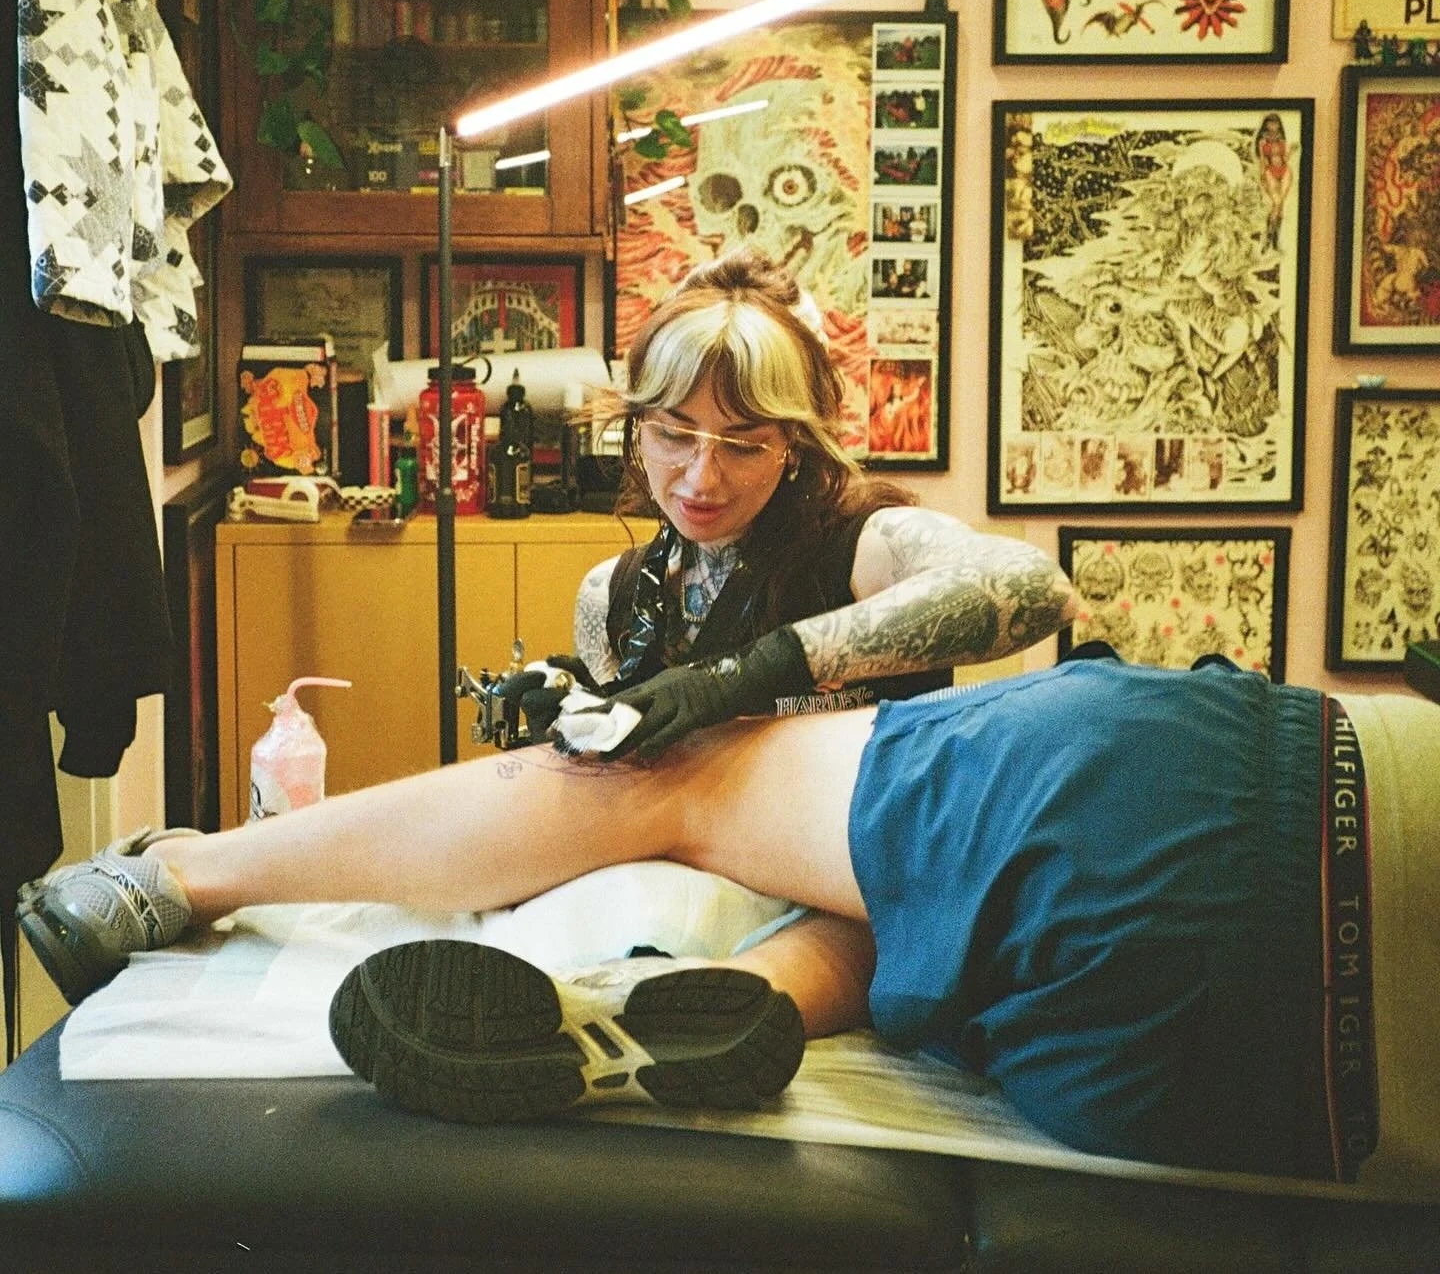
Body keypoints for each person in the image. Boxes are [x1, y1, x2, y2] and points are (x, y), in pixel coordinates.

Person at [19, 256, 1440, 1193]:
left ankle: (668, 1022)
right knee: (618, 838)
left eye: (744, 443)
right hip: (700, 873)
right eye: (671, 436)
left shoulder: (863, 536)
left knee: (855, 918)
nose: (702, 473)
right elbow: (575, 790)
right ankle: (633, 1015)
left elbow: (1027, 582)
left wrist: (741, 674)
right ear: (630, 427)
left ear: (803, 443)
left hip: (872, 870)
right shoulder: (612, 588)